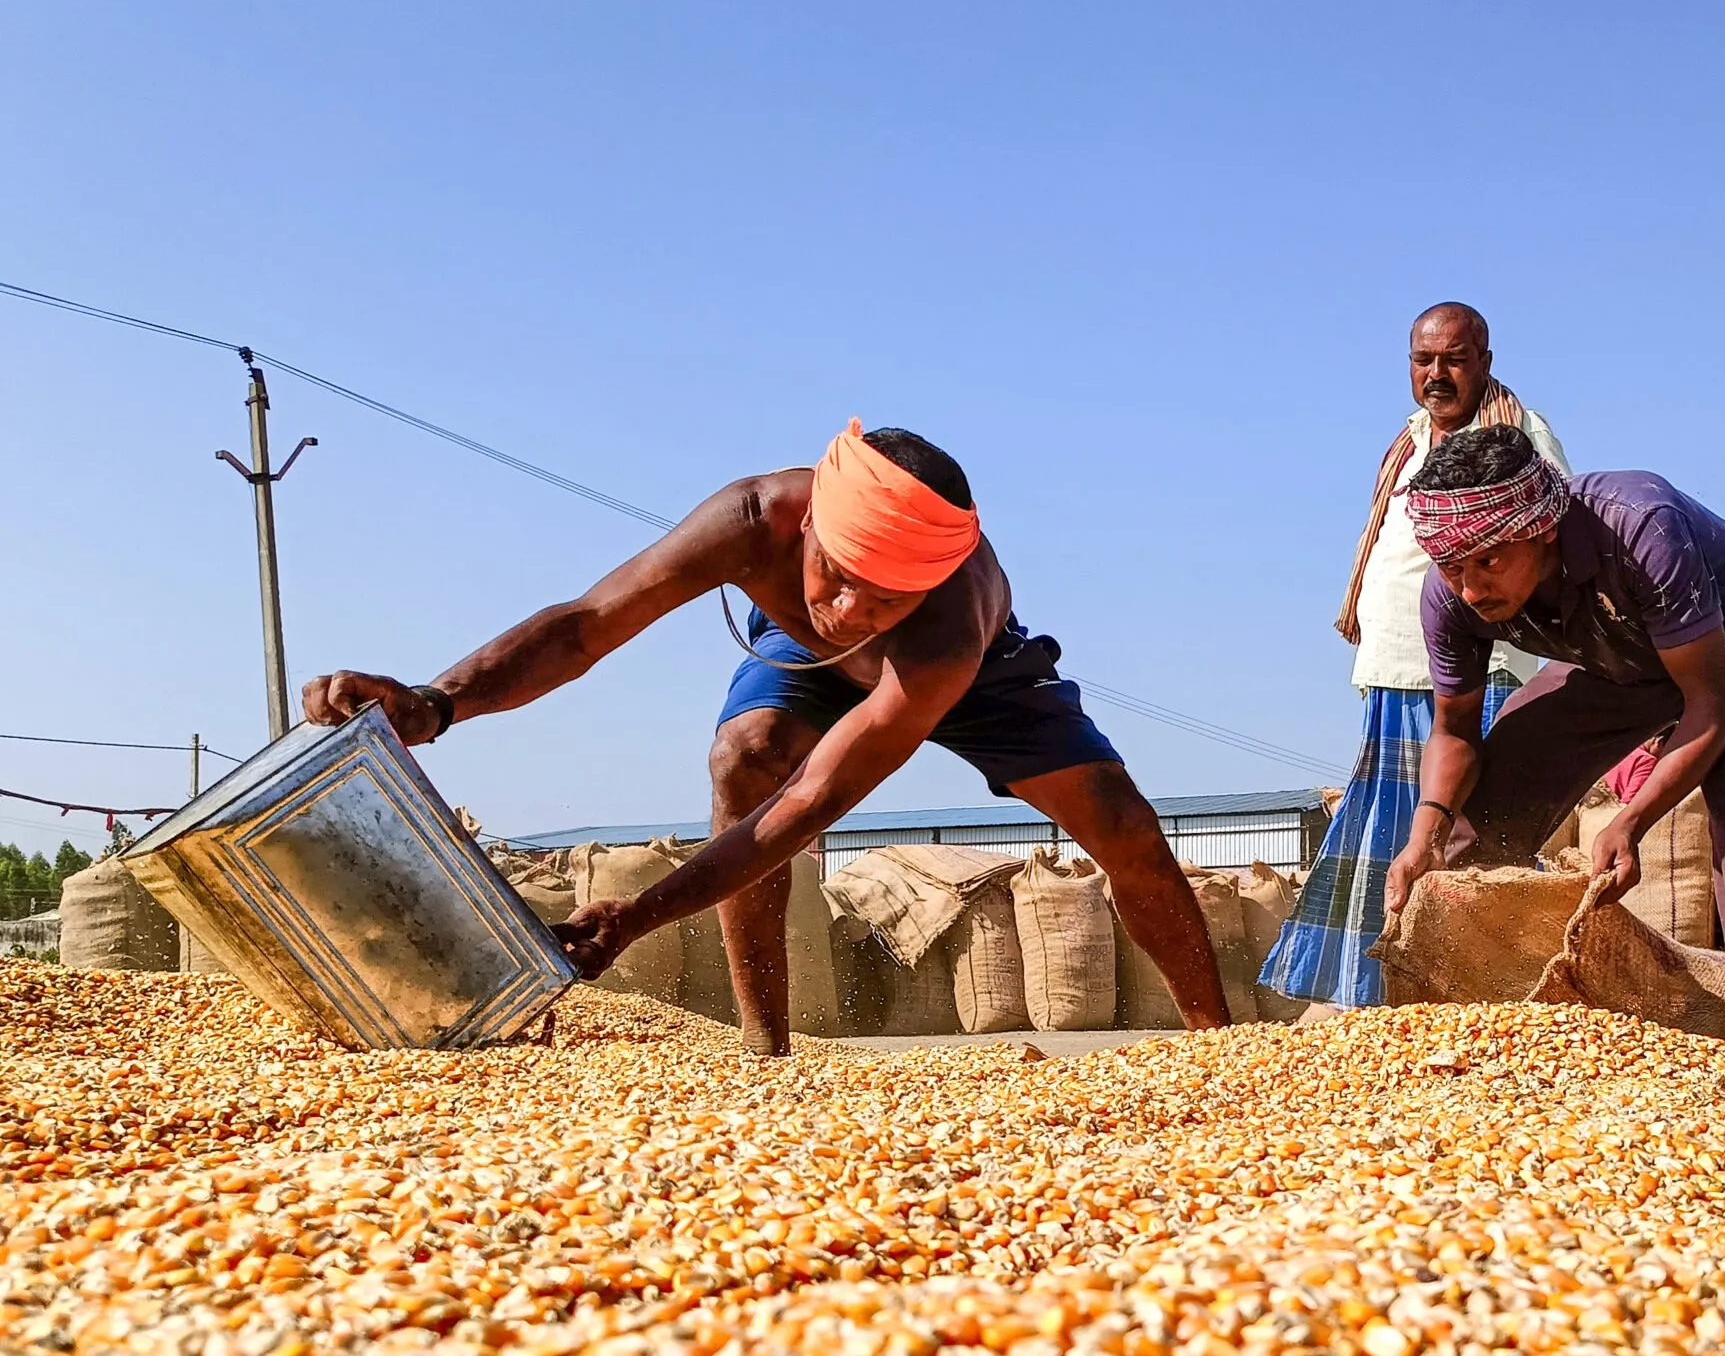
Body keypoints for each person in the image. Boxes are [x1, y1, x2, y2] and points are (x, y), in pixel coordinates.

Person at [301, 420, 1229, 1054]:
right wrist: (435, 702)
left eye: (884, 595)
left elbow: (815, 802)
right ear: (809, 525)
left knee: (1122, 824)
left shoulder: (949, 624)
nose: (850, 607)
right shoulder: (748, 521)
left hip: (970, 675)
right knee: (743, 757)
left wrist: (633, 918)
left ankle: (1217, 1046)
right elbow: (587, 625)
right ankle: (765, 1047)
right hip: (798, 664)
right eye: (838, 573)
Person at [1380, 425, 1725, 1061]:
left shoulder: (1641, 528)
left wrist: (1631, 819)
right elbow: (1454, 733)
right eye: (1453, 567)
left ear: (1541, 529)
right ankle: (1460, 1020)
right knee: (1497, 786)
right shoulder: (1451, 599)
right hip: (1615, 655)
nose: (1472, 588)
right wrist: (1424, 835)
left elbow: (1713, 707)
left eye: (1489, 561)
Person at [1260, 303, 1569, 1011]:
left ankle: (1497, 985)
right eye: (1423, 361)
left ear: (1483, 362)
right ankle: (1368, 987)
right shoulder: (1407, 441)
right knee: (1387, 824)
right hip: (1397, 661)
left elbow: (1551, 536)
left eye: (1453, 360)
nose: (1437, 375)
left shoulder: (1518, 435)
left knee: (1478, 822)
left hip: (1481, 660)